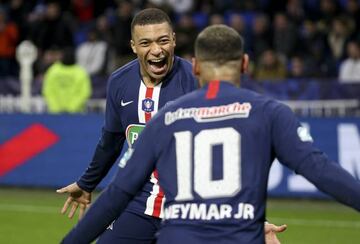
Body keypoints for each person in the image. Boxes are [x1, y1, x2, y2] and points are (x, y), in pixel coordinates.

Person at [62, 24, 360, 244]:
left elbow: (117, 194)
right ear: (245, 63)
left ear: (196, 67)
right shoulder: (270, 113)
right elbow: (321, 171)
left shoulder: (167, 118)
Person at [42, 47, 92, 113]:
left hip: (76, 114)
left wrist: (72, 108)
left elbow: (84, 92)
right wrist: (55, 108)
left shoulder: (80, 72)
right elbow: (48, 91)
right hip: (56, 114)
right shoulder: (53, 70)